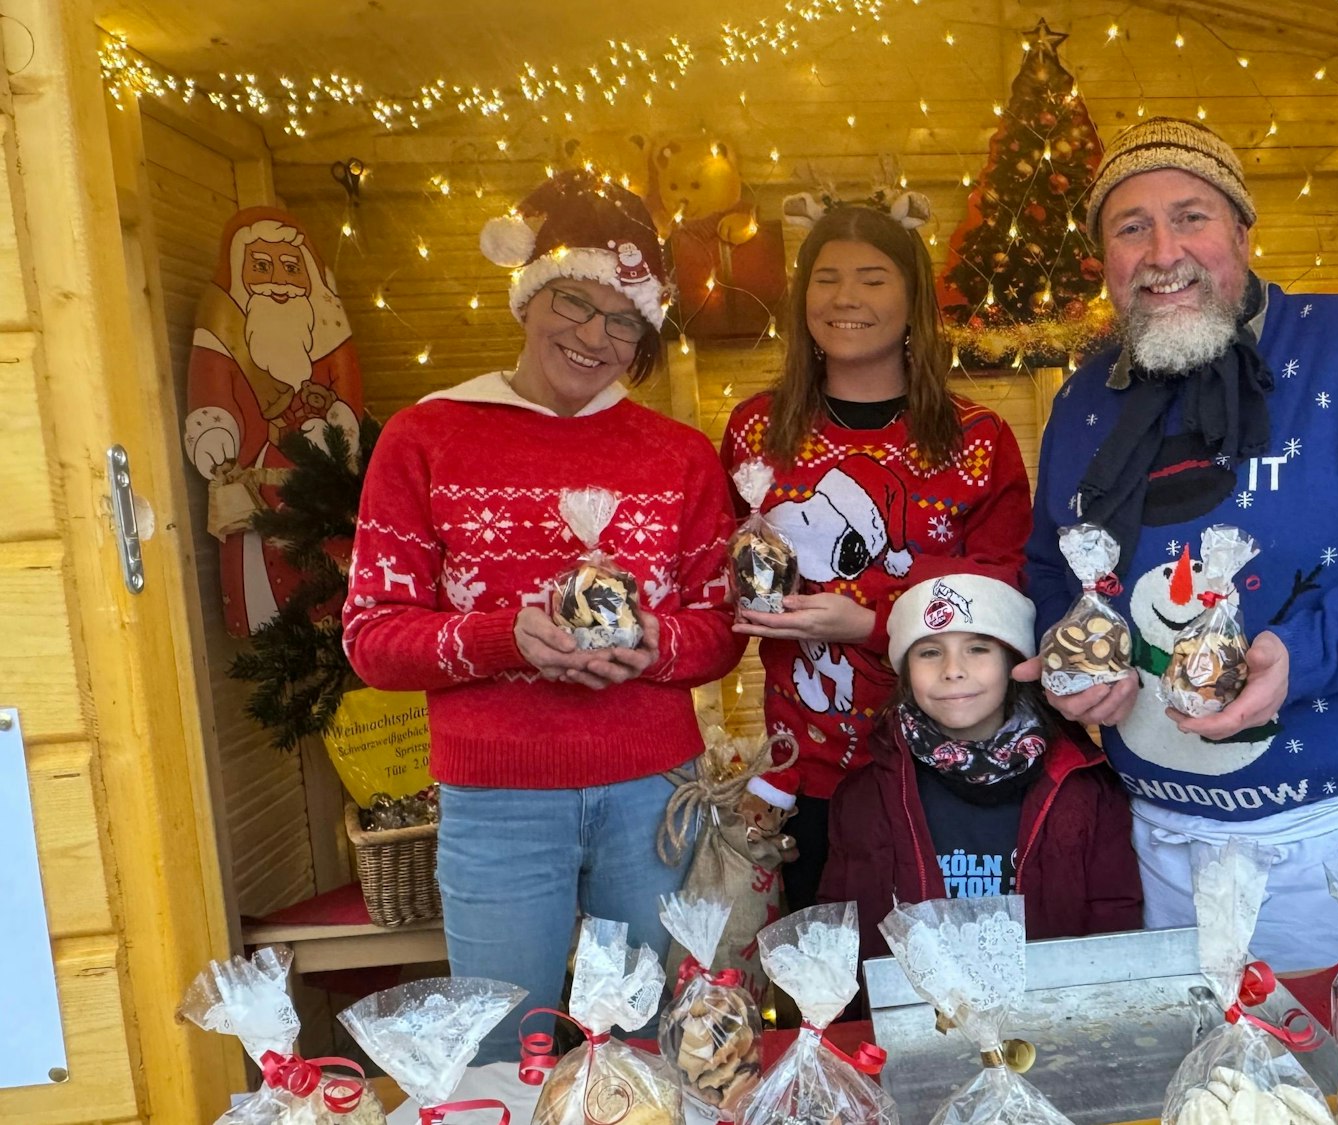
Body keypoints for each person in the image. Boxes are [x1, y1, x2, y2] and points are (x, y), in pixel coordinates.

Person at [1020, 118, 1338, 968]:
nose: (1162, 250)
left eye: (1191, 217)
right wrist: (1068, 660)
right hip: (1162, 848)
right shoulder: (1082, 402)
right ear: (1105, 260)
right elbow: (1050, 568)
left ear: (1245, 234)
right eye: (1130, 227)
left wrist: (1308, 651)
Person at [342, 171, 743, 1060]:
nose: (593, 336)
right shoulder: (427, 436)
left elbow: (721, 627)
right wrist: (500, 638)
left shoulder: (676, 453)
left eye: (622, 320)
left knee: (649, 1042)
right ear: (529, 295)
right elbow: (371, 636)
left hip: (653, 792)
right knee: (500, 1043)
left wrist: (653, 643)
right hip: (496, 798)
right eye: (573, 302)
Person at [724, 192, 1033, 914]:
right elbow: (724, 570)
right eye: (827, 278)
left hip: (948, 763)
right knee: (827, 985)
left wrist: (866, 621)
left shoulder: (977, 438)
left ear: (912, 297)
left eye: (872, 277)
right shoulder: (755, 431)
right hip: (807, 777)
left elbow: (1004, 588)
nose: (846, 298)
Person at [820, 560, 1142, 959]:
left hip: (1052, 1015)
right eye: (929, 652)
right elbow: (841, 939)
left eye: (977, 648)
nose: (953, 670)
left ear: (1014, 663)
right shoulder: (864, 797)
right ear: (904, 673)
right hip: (917, 1017)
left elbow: (1115, 923)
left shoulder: (1085, 787)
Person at [183, 207, 363, 636]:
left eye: (290, 268)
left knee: (328, 574)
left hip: (319, 485)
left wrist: (337, 430)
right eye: (261, 267)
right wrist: (214, 431)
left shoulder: (328, 336)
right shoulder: (222, 338)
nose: (278, 281)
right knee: (263, 577)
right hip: (253, 485)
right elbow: (211, 392)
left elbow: (348, 398)